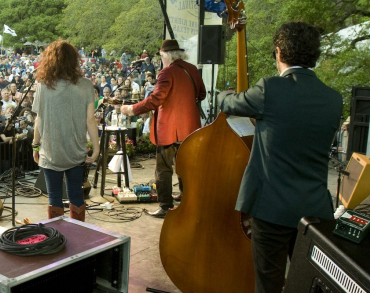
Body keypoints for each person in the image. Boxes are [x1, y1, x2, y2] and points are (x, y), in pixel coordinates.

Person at [216, 22, 342, 293]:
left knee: (269, 283)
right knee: (306, 283)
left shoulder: (270, 89)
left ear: (278, 53)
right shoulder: (333, 99)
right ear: (314, 56)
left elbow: (229, 103)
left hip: (271, 207)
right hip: (315, 210)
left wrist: (222, 93)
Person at [121, 39, 206, 218]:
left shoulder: (167, 72)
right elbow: (202, 94)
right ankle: (186, 199)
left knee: (163, 169)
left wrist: (132, 109)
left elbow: (156, 99)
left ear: (166, 55)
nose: (161, 60)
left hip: (169, 129)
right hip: (190, 129)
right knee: (185, 166)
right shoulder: (192, 69)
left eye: (161, 56)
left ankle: (165, 206)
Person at [31, 40, 99, 221]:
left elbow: (39, 119)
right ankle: (79, 234)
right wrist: (97, 147)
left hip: (51, 149)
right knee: (76, 193)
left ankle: (57, 237)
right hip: (76, 149)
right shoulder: (85, 85)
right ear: (73, 60)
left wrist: (35, 145)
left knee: (54, 196)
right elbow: (90, 120)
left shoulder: (42, 86)